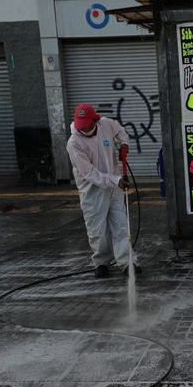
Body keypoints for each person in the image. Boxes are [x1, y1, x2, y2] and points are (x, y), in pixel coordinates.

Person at [66, 103, 140, 278]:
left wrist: (124, 144)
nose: (84, 127)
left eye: (87, 123)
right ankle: (101, 262)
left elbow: (121, 131)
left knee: (120, 225)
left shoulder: (106, 124)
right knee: (97, 230)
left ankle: (127, 262)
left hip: (114, 187)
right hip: (92, 191)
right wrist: (116, 180)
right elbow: (90, 173)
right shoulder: (74, 143)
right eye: (80, 124)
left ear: (95, 120)